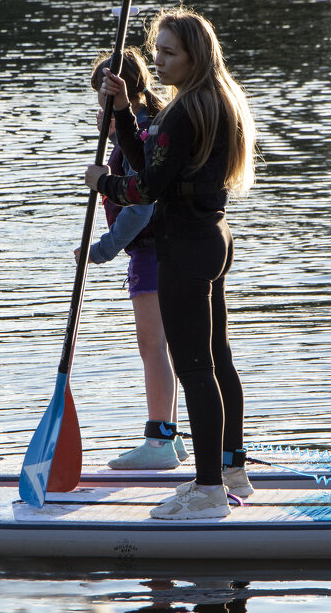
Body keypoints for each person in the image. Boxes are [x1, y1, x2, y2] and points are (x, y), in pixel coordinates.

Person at [85, 6, 257, 520]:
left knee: (195, 369)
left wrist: (103, 183)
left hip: (184, 246)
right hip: (213, 238)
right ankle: (230, 471)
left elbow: (143, 186)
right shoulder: (212, 99)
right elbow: (149, 161)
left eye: (169, 52)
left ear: (195, 56)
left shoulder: (186, 110)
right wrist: (119, 112)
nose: (157, 60)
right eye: (156, 49)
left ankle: (207, 492)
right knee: (217, 359)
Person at [79, 48, 189, 470]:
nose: (100, 115)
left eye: (102, 102)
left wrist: (100, 251)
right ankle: (172, 438)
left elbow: (140, 207)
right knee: (166, 347)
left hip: (151, 254)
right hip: (165, 251)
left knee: (152, 347)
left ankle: (159, 442)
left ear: (117, 94)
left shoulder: (136, 134)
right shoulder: (150, 122)